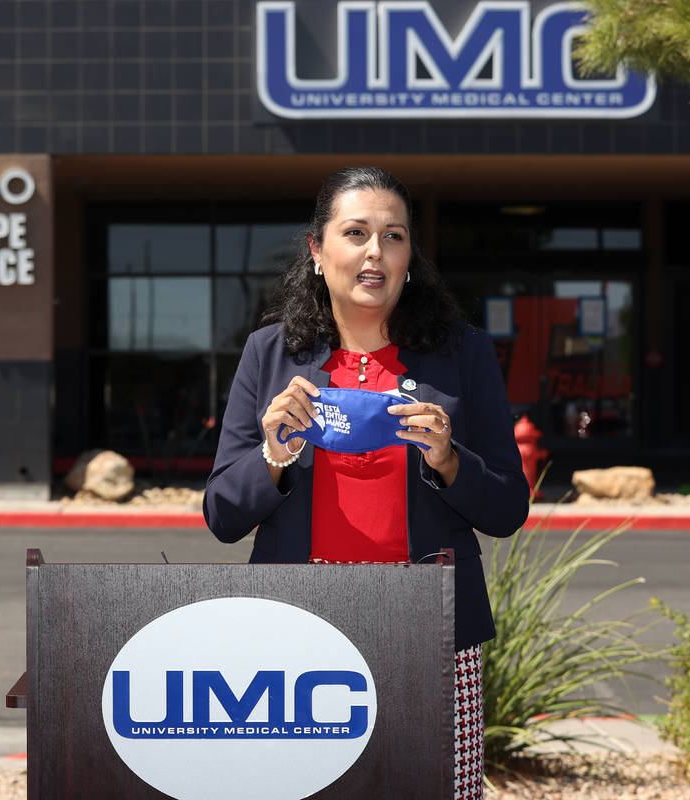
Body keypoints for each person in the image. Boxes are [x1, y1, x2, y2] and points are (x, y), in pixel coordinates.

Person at [203, 166, 529, 800]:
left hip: (435, 630)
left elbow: (508, 508)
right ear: (318, 252)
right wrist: (272, 454)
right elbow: (221, 514)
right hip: (294, 632)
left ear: (411, 258)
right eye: (355, 232)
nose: (375, 251)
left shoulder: (461, 355)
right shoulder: (269, 355)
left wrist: (448, 459)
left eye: (395, 236)